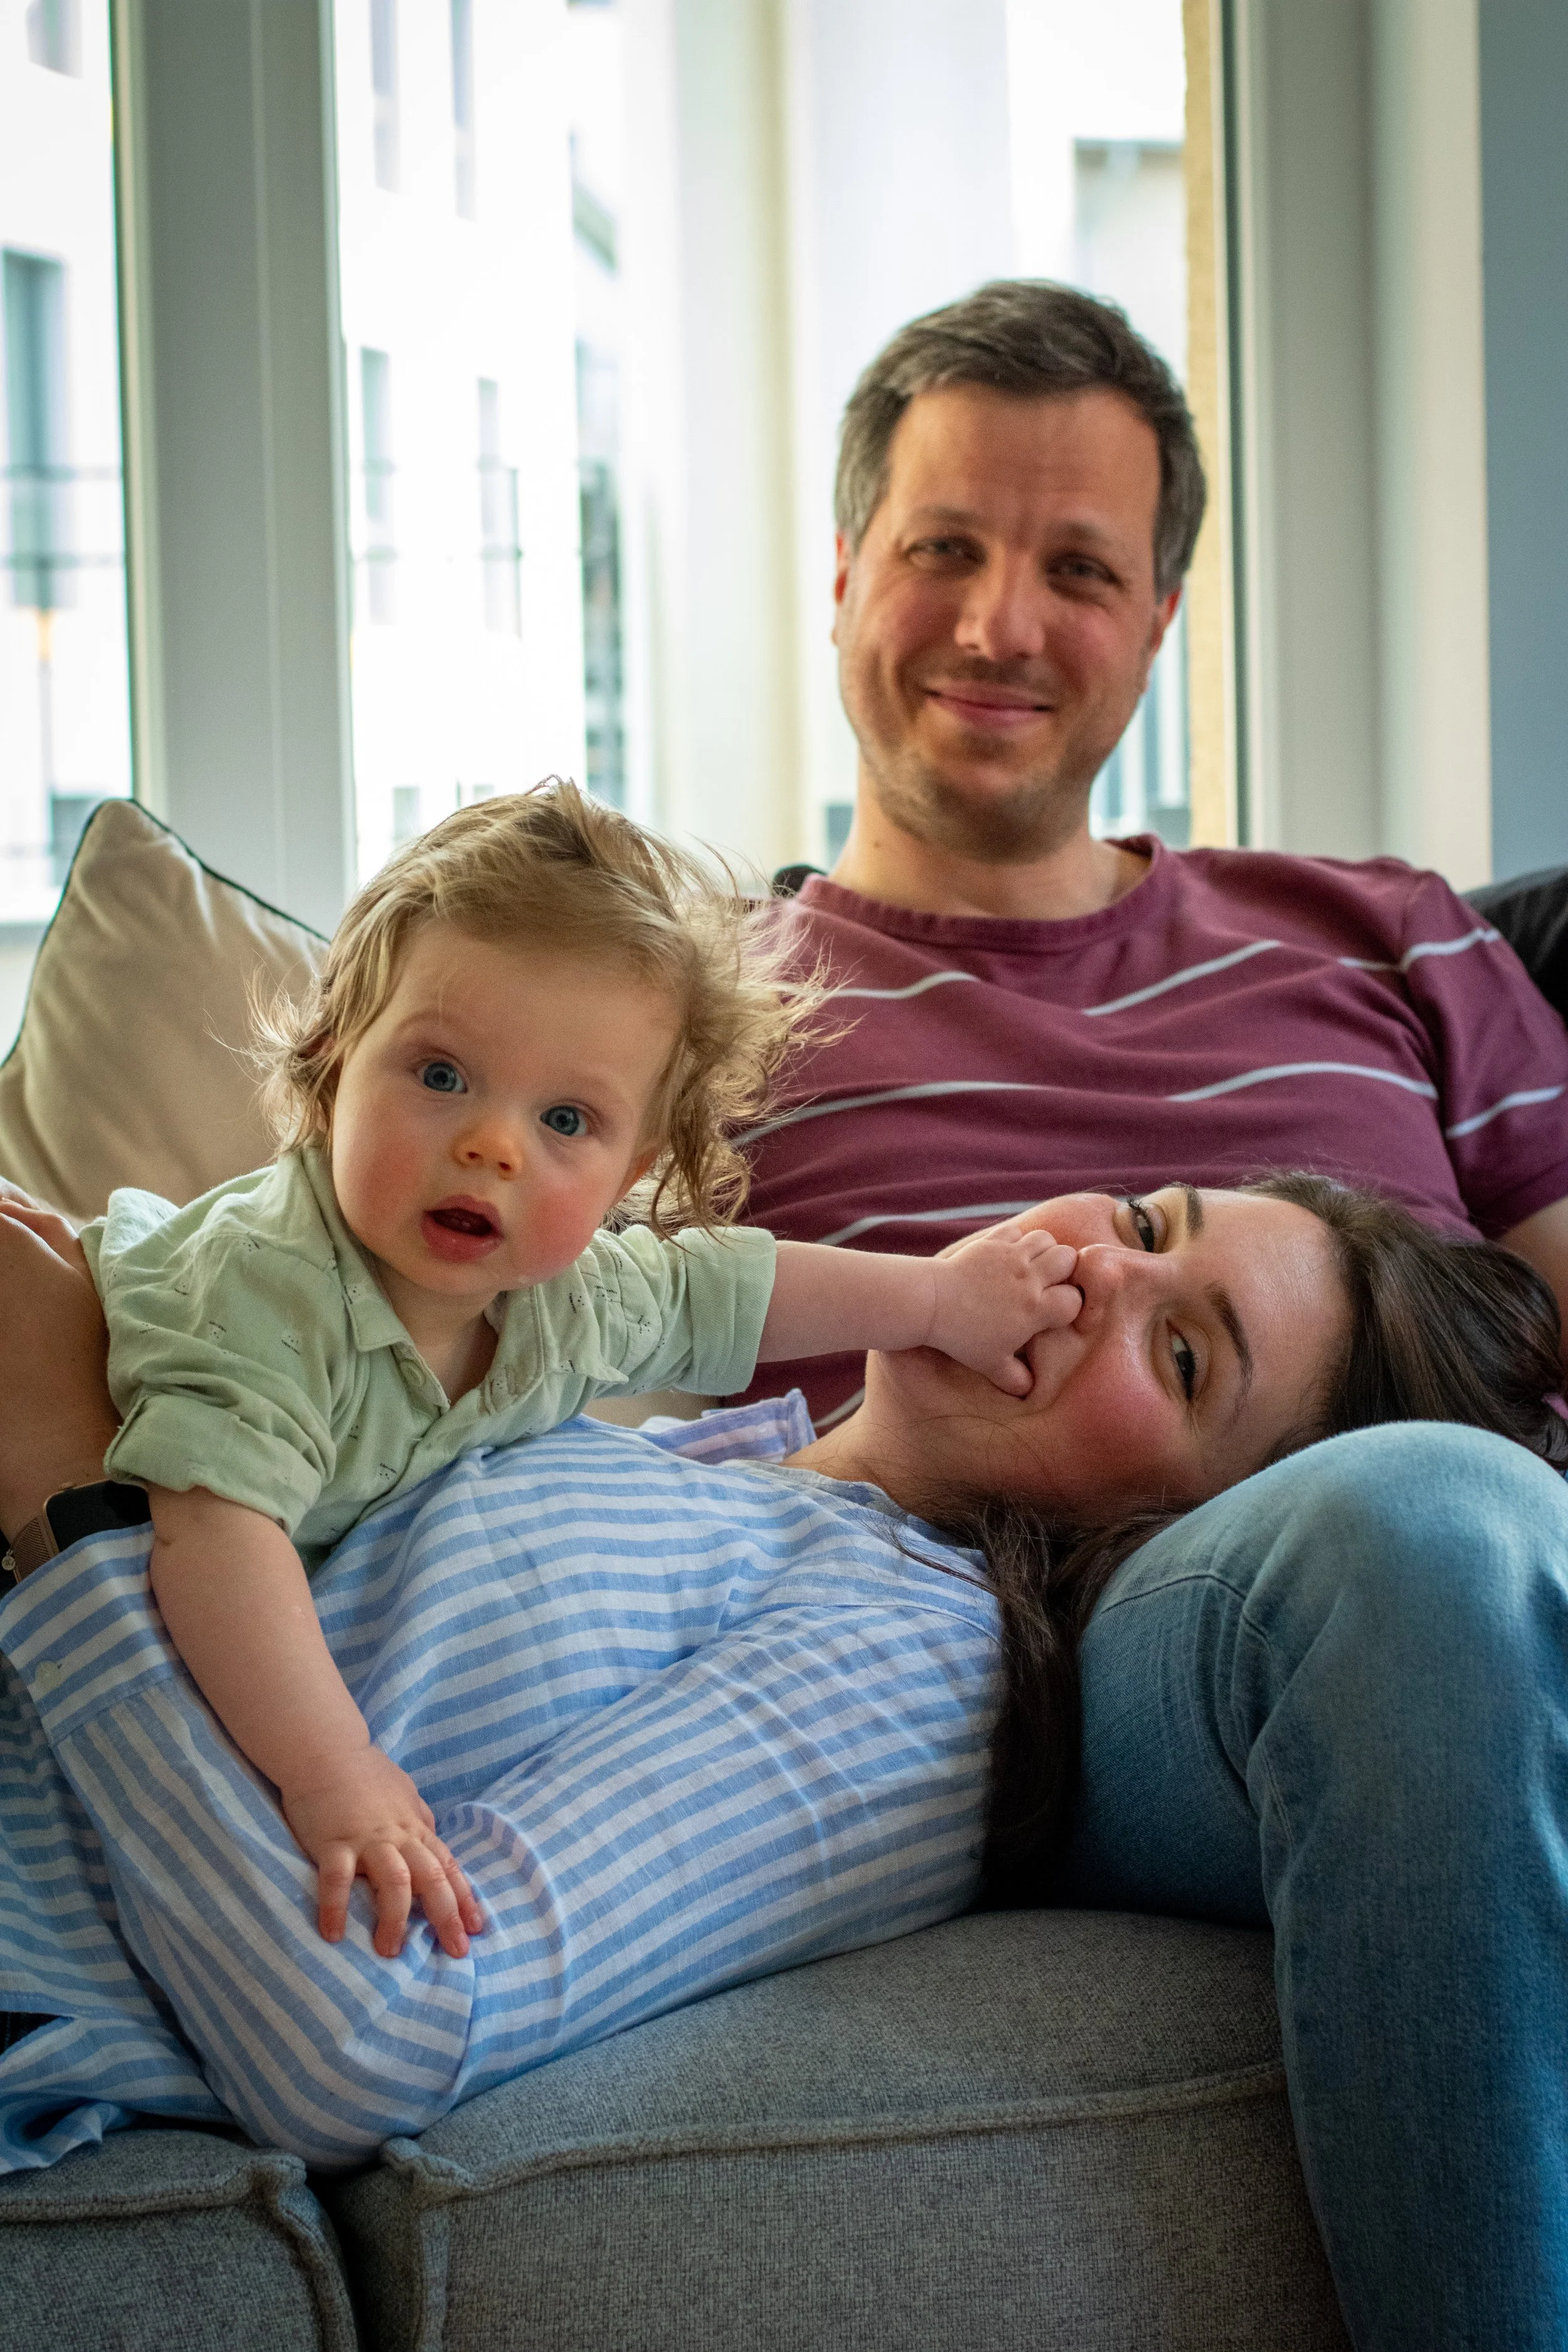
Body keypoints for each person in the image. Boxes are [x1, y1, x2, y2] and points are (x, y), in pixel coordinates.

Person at [0, 1174, 1565, 2352]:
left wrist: (63, 1479)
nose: (1094, 1270)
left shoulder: (907, 1668)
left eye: (1181, 1356)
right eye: (1149, 1218)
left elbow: (359, 2044)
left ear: (1174, 1533)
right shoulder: (704, 1459)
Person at [1, 781, 1076, 1957]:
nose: (494, 1143)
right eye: (442, 1075)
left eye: (568, 1120)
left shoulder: (566, 1299)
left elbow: (726, 1289)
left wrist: (932, 1300)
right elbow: (216, 1538)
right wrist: (336, 1773)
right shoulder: (273, 1285)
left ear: (632, 1172)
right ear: (328, 1062)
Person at [735, 280, 1568, 1428]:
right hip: (941, 1596)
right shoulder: (690, 1018)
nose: (999, 628)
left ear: (1157, 624)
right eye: (944, 548)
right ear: (843, 578)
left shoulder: (1394, 939)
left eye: (1078, 570)